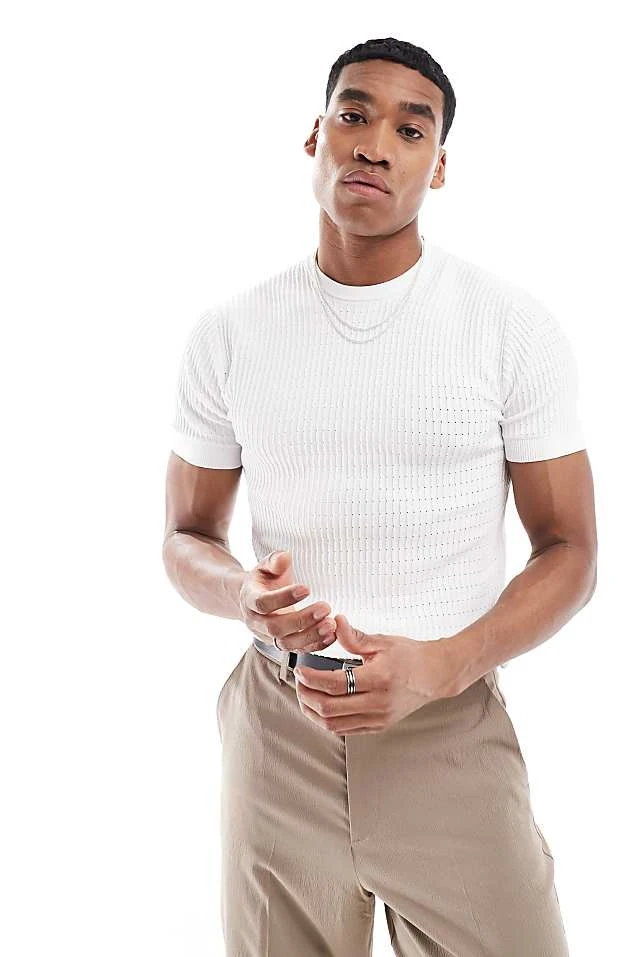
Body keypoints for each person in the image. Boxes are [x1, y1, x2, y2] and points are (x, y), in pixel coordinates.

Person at [163, 35, 597, 957]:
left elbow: (571, 549)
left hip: (447, 725)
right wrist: (243, 594)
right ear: (314, 136)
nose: (374, 144)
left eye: (410, 128)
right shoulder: (231, 333)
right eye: (354, 115)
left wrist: (444, 665)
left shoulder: (509, 329)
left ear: (438, 167)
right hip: (279, 728)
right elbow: (185, 535)